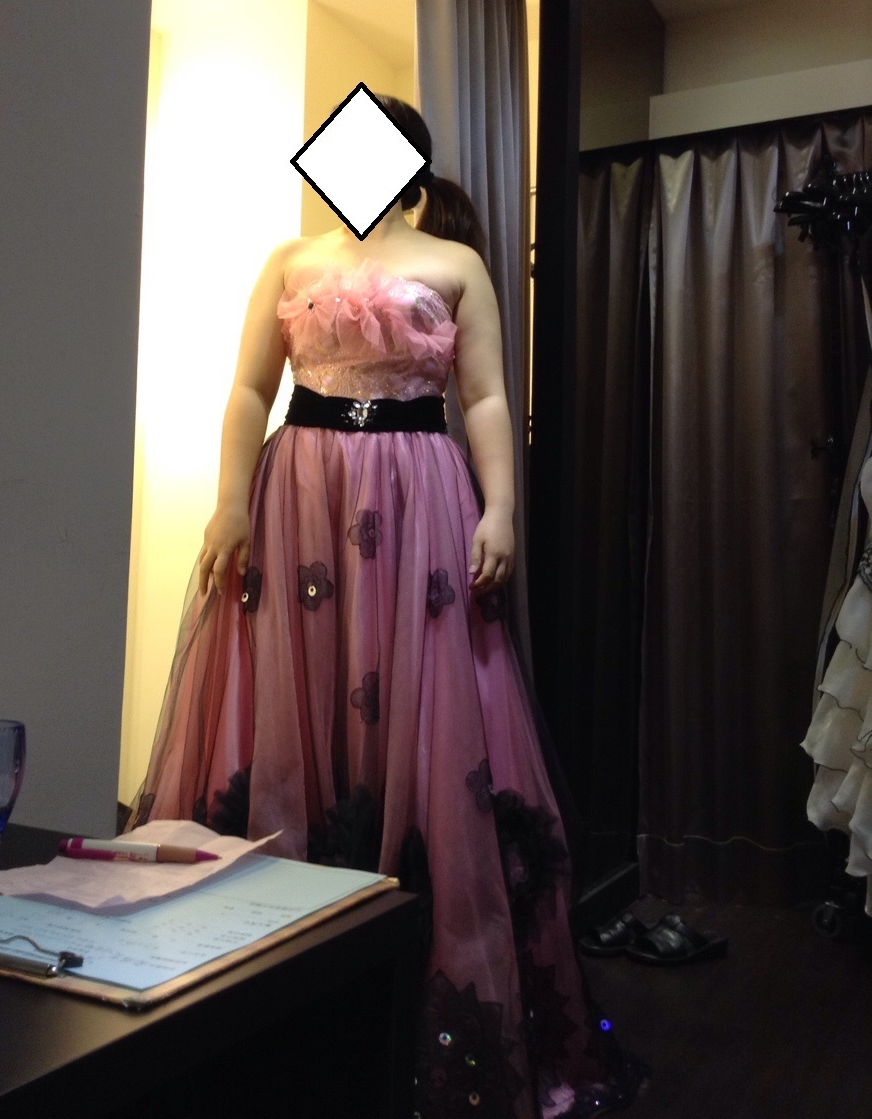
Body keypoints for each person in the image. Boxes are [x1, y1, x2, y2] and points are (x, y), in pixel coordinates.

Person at [130, 97, 647, 1118]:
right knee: (298, 711)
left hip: (419, 496)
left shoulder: (456, 264)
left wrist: (501, 507)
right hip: (299, 497)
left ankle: (413, 1007)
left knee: (426, 711)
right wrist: (229, 501)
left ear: (407, 163)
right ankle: (266, 1008)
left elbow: (485, 396)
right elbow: (250, 389)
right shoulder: (288, 261)